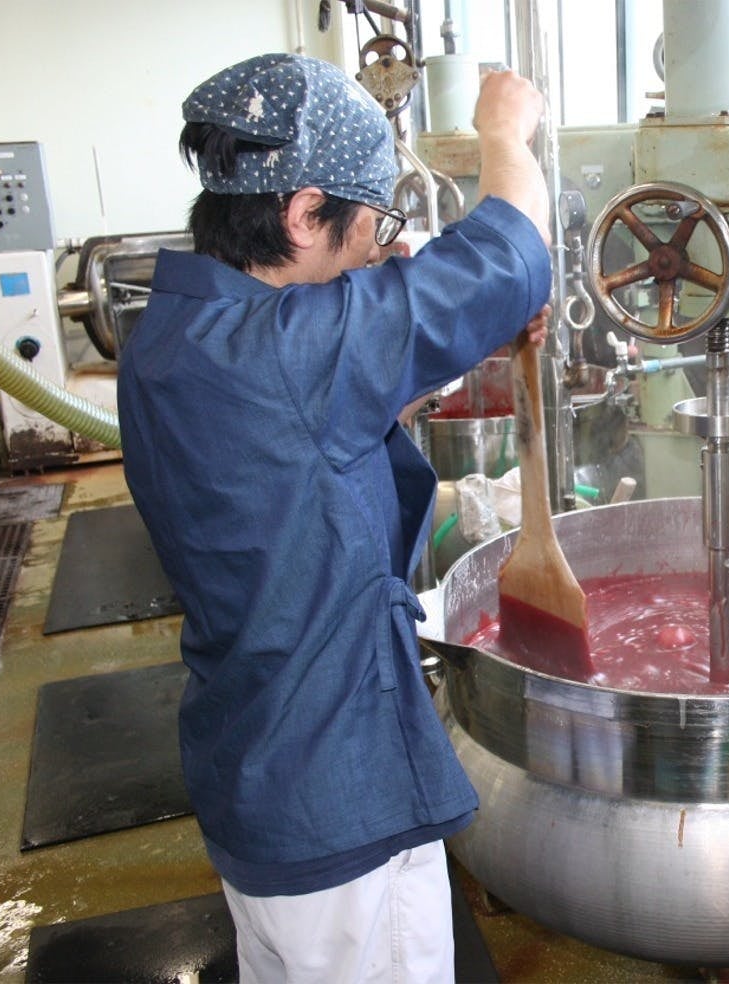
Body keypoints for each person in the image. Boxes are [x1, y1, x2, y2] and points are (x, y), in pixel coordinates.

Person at [117, 52, 551, 983]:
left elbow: (302, 437)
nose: (376, 251)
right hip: (341, 809)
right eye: (370, 224)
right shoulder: (290, 353)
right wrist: (503, 133)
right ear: (303, 212)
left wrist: (451, 343)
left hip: (253, 780)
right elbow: (510, 255)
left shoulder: (175, 332)